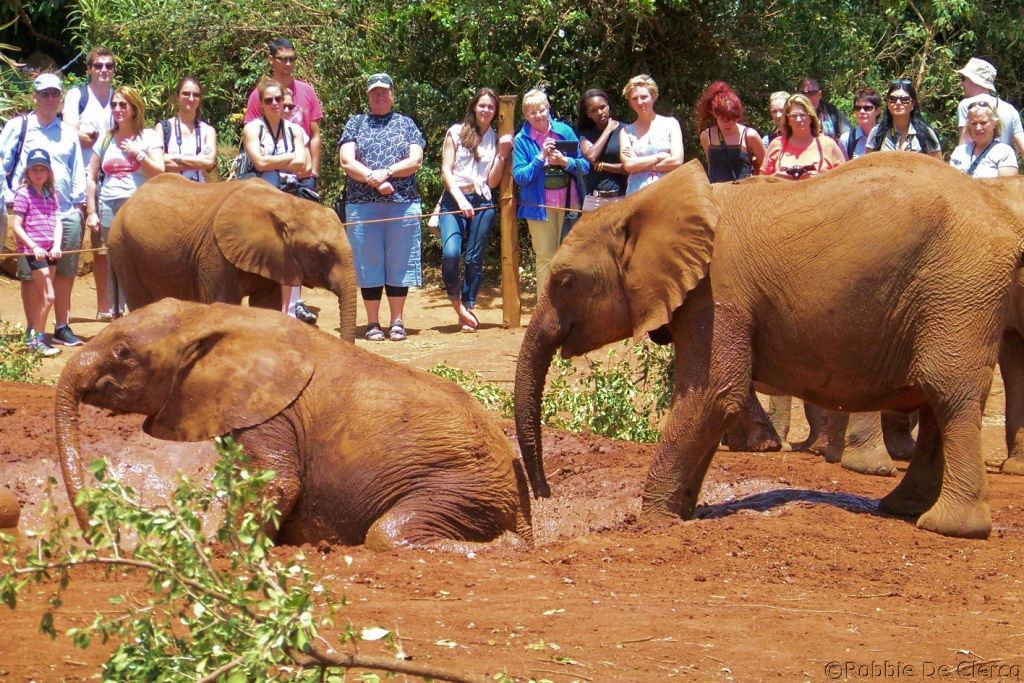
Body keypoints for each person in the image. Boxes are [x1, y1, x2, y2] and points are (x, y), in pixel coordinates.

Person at [0, 73, 87, 347]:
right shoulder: (19, 127)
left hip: (64, 212)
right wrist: (9, 196)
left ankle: (61, 326)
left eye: (55, 93)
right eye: (45, 93)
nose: (50, 98)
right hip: (30, 214)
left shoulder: (68, 132)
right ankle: (32, 328)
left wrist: (78, 205)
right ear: (35, 96)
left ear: (60, 97)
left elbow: (77, 169)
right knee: (30, 274)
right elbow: (1, 162)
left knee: (65, 271)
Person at [338, 73, 425, 342]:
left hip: (402, 204)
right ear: (368, 96)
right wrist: (373, 179)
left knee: (399, 261)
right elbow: (346, 161)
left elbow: (416, 160)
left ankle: (397, 321)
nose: (380, 96)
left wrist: (386, 173)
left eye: (384, 91)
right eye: (374, 92)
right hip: (362, 205)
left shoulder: (406, 123)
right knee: (369, 263)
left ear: (392, 94)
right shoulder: (355, 123)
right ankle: (372, 322)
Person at [85, 86, 165, 320]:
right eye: (114, 105)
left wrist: (139, 153)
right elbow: (91, 176)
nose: (118, 109)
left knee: (141, 257)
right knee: (114, 261)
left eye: (123, 104)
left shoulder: (148, 136)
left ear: (134, 108)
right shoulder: (106, 138)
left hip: (139, 205)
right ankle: (116, 314)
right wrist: (91, 211)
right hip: (108, 203)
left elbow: (159, 171)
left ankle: (143, 312)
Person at [438, 88, 511, 332]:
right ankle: (458, 305)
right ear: (474, 107)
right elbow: (446, 171)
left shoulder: (495, 137)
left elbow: (492, 182)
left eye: (491, 107)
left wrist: (502, 155)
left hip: (482, 200)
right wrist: (461, 201)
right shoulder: (456, 132)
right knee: (451, 253)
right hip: (454, 199)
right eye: (482, 105)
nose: (486, 110)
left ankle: (468, 308)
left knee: (474, 258)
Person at [512, 88, 588, 292]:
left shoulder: (564, 131)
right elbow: (520, 177)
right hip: (539, 208)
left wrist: (565, 162)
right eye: (532, 112)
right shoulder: (521, 140)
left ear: (548, 108)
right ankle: (545, 307)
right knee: (546, 258)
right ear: (525, 115)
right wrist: (540, 158)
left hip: (569, 205)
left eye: (541, 109)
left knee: (570, 258)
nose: (538, 115)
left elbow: (584, 166)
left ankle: (569, 308)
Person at [62, 46, 116, 321]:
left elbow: (122, 133)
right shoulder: (77, 95)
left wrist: (90, 136)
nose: (103, 70)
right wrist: (93, 137)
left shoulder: (117, 98)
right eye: (98, 65)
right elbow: (69, 131)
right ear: (89, 69)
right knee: (71, 245)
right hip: (77, 179)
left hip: (106, 181)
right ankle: (64, 311)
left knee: (102, 248)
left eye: (108, 66)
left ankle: (104, 308)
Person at [244, 38, 323, 194]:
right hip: (266, 180)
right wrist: (291, 157)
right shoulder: (259, 95)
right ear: (271, 59)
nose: (288, 63)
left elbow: (314, 135)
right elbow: (252, 140)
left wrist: (313, 172)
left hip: (302, 177)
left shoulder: (307, 91)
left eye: (292, 59)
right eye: (283, 59)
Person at [9, 149, 62, 356]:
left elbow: (57, 221)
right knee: (49, 296)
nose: (38, 174)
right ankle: (37, 341)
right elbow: (17, 226)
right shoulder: (23, 194)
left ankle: (37, 338)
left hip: (50, 250)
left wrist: (57, 245)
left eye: (42, 169)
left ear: (48, 172)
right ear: (28, 172)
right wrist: (34, 247)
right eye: (34, 169)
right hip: (35, 251)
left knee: (44, 297)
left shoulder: (51, 193)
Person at [280, 86, 318, 325]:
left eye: (290, 106)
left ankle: (292, 309)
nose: (285, 109)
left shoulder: (297, 132)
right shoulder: (258, 129)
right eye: (280, 104)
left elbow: (305, 166)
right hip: (265, 195)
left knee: (293, 252)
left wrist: (272, 164)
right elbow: (256, 162)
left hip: (292, 193)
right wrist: (289, 161)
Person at [619, 74, 684, 195]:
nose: (640, 102)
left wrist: (639, 164)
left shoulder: (671, 124)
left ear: (653, 97)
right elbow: (628, 165)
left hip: (667, 193)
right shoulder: (626, 132)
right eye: (634, 98)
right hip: (637, 194)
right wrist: (659, 157)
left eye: (644, 97)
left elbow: (677, 161)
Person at [760, 93, 845, 179]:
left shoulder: (828, 145)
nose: (798, 119)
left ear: (811, 117)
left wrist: (820, 179)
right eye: (793, 116)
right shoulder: (776, 145)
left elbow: (844, 179)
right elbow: (761, 182)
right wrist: (775, 178)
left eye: (802, 115)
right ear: (787, 119)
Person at [695, 81, 766, 183]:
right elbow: (711, 169)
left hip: (744, 190)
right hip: (717, 190)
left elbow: (767, 168)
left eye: (734, 119)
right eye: (725, 120)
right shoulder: (706, 136)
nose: (730, 124)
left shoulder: (750, 135)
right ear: (714, 114)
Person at [955, 57, 1024, 159]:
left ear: (974, 80)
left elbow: (964, 148)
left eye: (964, 79)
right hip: (1005, 166)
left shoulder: (966, 105)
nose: (962, 84)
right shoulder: (1010, 109)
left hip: (979, 168)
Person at [155, 76, 216, 183]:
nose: (191, 98)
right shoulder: (163, 128)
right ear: (177, 96)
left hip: (197, 189)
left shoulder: (208, 130)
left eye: (196, 95)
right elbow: (158, 161)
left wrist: (173, 158)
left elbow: (209, 163)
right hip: (170, 188)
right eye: (186, 94)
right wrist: (199, 160)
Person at [865, 80, 942, 159]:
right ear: (887, 103)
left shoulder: (926, 134)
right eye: (893, 99)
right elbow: (868, 163)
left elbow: (937, 165)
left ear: (913, 104)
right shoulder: (877, 133)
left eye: (905, 99)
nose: (898, 103)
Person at [576, 88, 625, 210]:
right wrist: (608, 130)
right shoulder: (586, 134)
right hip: (594, 199)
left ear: (608, 106)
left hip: (620, 197)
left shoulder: (624, 130)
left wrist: (602, 165)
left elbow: (628, 167)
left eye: (602, 107)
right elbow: (591, 156)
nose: (599, 112)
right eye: (593, 110)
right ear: (588, 114)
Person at [949, 101, 1019, 178]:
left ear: (994, 123)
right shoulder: (959, 152)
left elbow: (1007, 184)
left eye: (983, 123)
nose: (978, 128)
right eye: (974, 123)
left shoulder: (1004, 152)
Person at [838, 87, 881, 160]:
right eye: (858, 108)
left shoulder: (886, 136)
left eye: (867, 108)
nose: (862, 112)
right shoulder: (846, 139)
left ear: (877, 111)